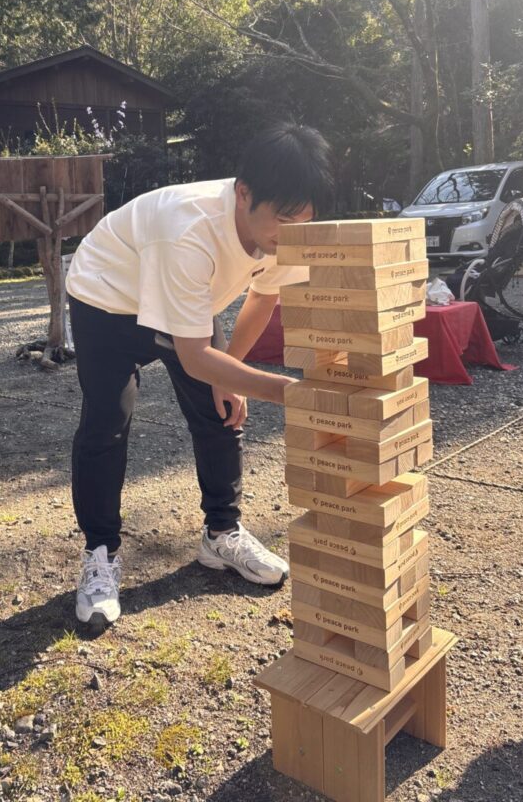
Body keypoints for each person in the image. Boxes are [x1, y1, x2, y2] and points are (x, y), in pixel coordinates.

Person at [65, 123, 334, 631]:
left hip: (187, 295)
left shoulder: (285, 235)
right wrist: (292, 393)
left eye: (304, 221)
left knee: (221, 410)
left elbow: (264, 297)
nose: (291, 235)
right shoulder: (188, 228)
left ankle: (221, 534)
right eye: (283, 221)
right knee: (106, 423)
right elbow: (195, 358)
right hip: (107, 295)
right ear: (243, 193)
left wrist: (229, 374)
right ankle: (100, 553)